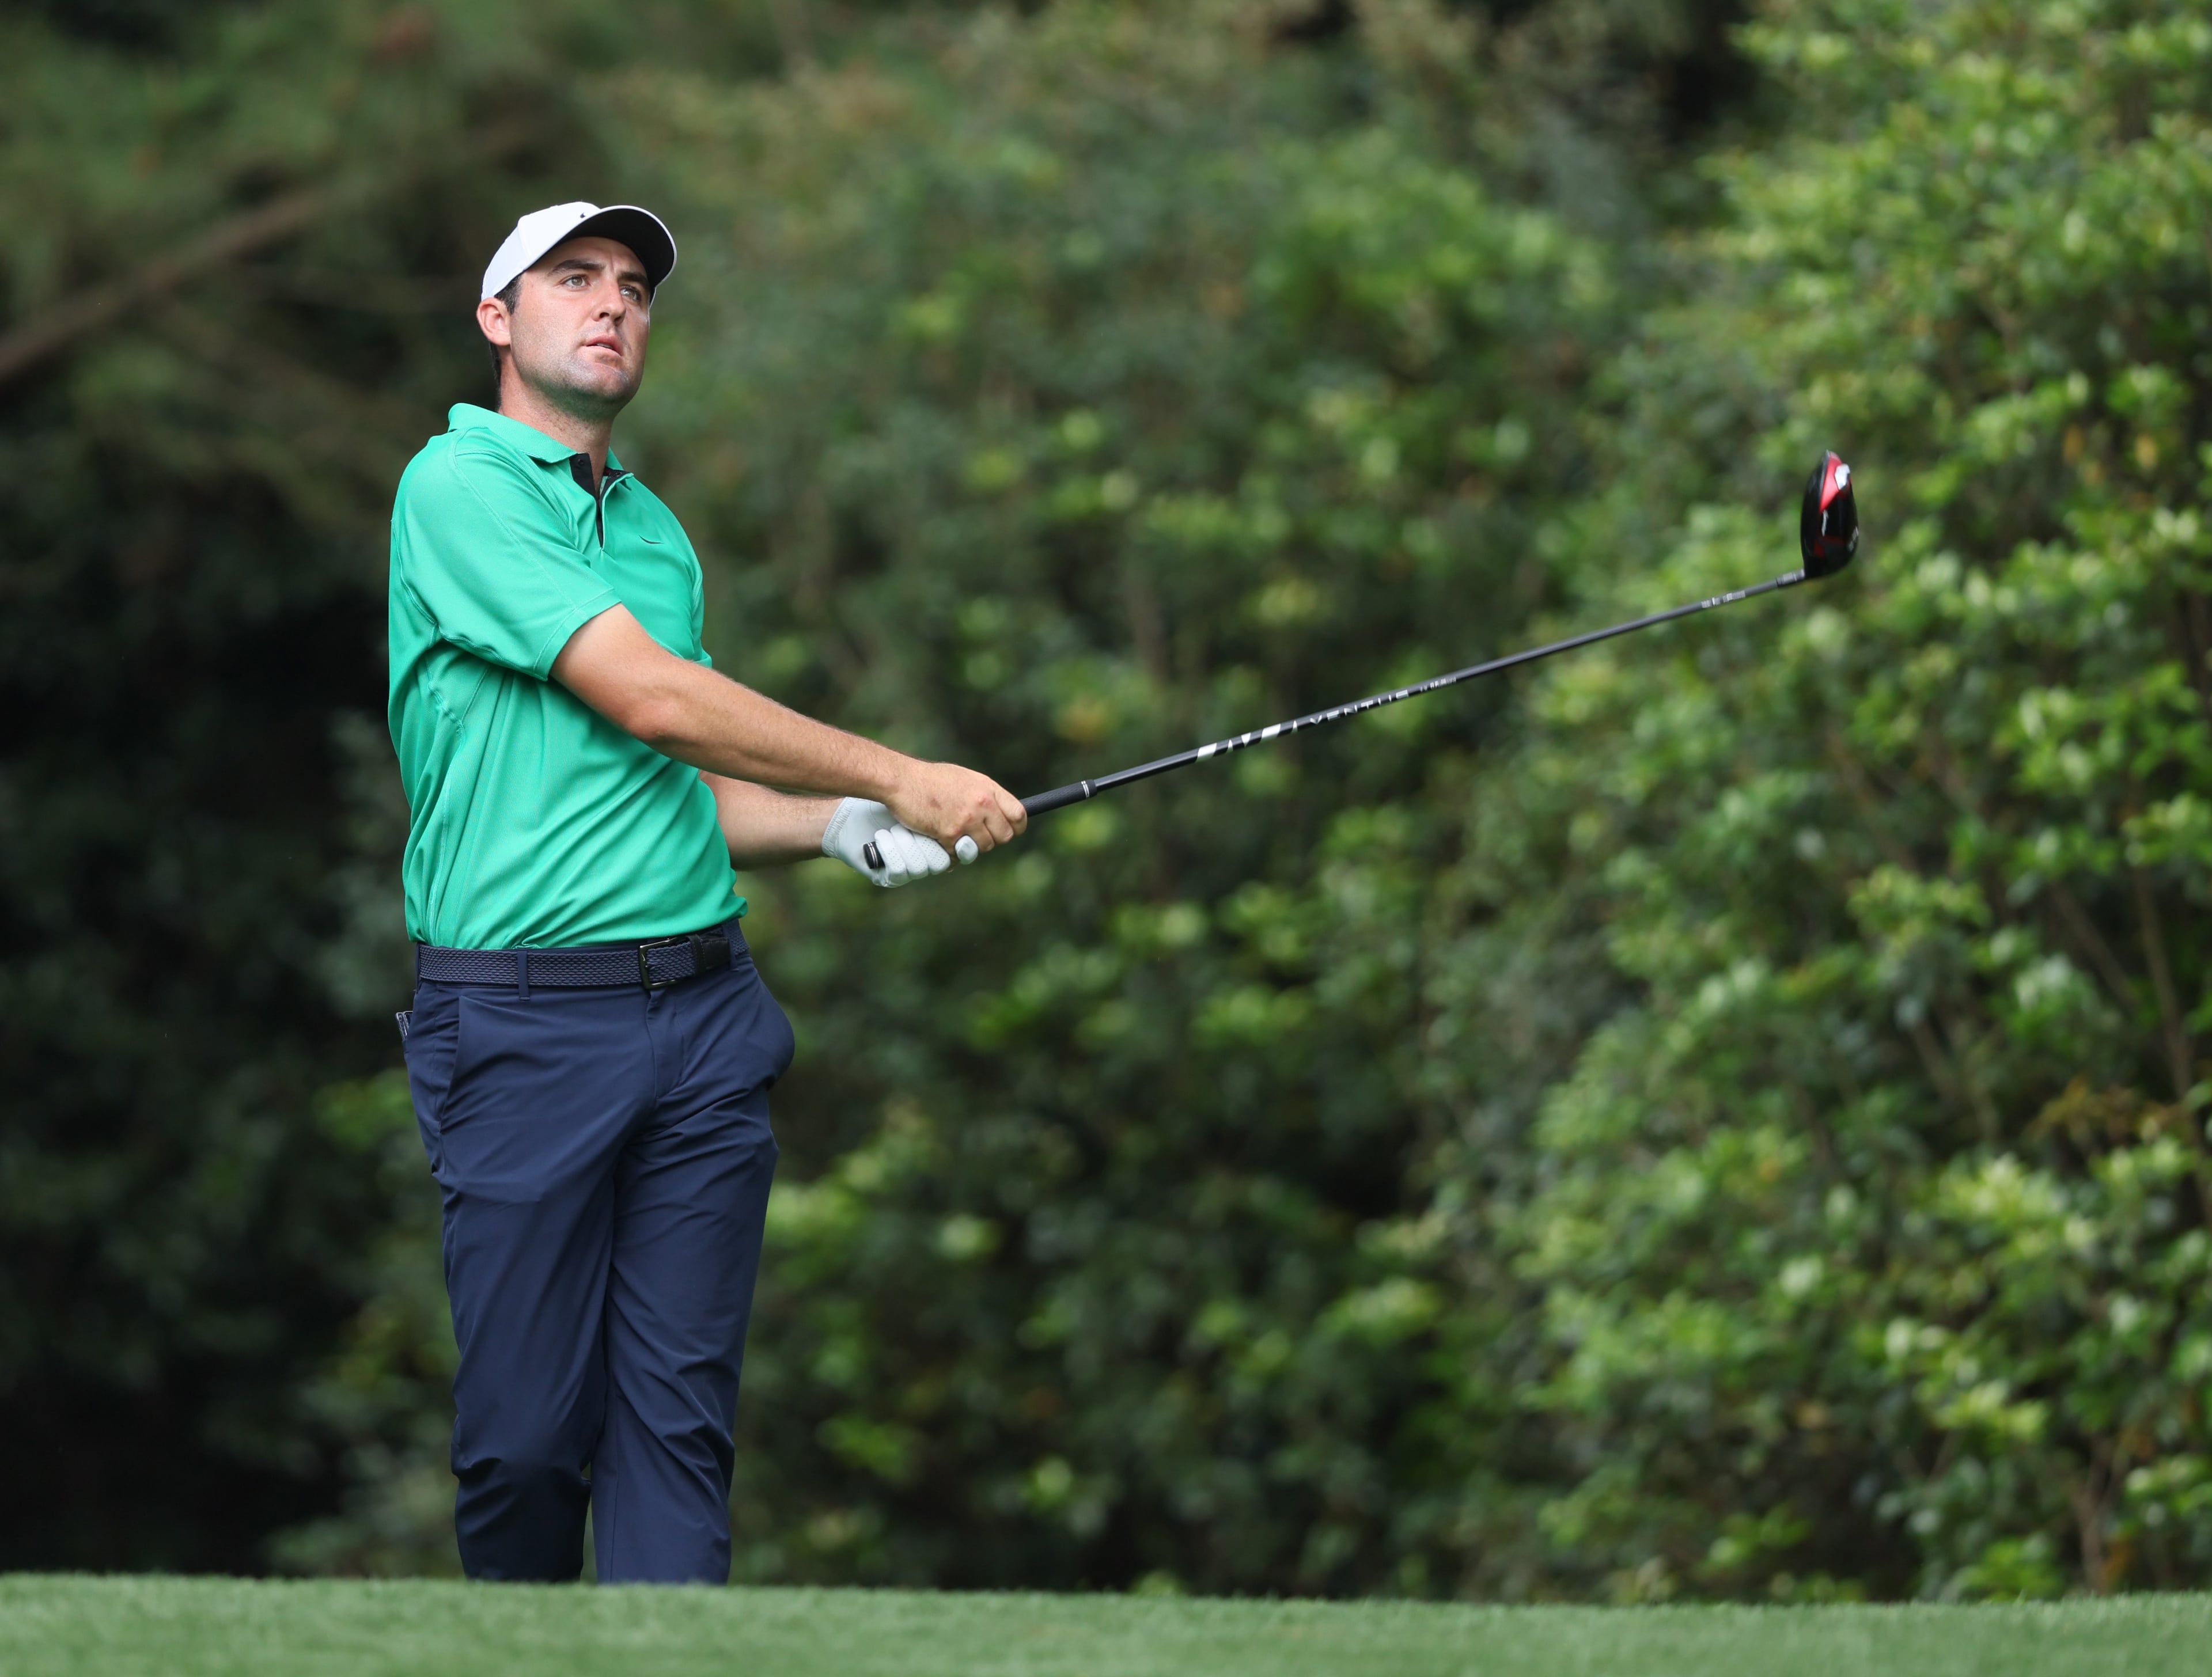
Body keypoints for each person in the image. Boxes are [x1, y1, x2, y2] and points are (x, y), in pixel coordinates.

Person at [387, 201, 1026, 1584]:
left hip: (703, 1016)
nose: (613, 303)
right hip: (524, 1028)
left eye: (633, 286)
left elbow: (677, 784)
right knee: (523, 1447)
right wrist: (902, 771)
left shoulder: (654, 532)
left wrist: (843, 823)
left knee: (677, 1437)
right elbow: (656, 699)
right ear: (499, 318)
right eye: (574, 279)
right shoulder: (456, 489)